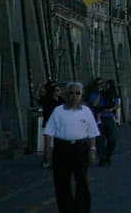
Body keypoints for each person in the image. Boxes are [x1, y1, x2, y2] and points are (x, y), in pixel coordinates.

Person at [42, 81, 100, 213]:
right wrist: (48, 152)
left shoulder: (86, 111)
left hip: (80, 148)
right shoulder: (58, 111)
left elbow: (92, 132)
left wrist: (93, 150)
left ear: (81, 96)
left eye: (77, 93)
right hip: (62, 149)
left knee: (82, 181)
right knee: (62, 182)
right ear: (66, 95)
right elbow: (49, 132)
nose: (74, 96)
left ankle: (82, 210)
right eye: (71, 93)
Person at [87, 80, 120, 166]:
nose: (102, 85)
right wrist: (99, 94)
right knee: (100, 140)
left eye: (103, 83)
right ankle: (102, 159)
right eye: (99, 84)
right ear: (96, 86)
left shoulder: (110, 93)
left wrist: (111, 110)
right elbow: (94, 104)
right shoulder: (95, 94)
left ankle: (108, 155)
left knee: (113, 139)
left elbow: (117, 104)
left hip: (109, 117)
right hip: (99, 118)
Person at [37, 80, 62, 168]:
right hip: (48, 123)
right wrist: (40, 87)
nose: (59, 92)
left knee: (56, 143)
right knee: (48, 143)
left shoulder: (61, 100)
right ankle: (47, 160)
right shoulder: (47, 99)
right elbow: (38, 97)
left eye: (59, 90)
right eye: (57, 90)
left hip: (58, 124)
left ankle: (53, 160)